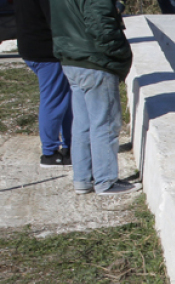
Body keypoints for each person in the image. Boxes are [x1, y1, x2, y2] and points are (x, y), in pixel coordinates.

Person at [51, 0, 139, 195]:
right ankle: (105, 181)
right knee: (104, 124)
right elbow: (102, 26)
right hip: (95, 61)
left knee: (82, 124)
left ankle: (82, 179)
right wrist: (123, 54)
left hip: (71, 59)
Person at [15, 0, 72, 169]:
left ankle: (69, 145)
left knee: (64, 98)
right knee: (54, 101)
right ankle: (49, 153)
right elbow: (57, 20)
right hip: (46, 51)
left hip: (32, 46)